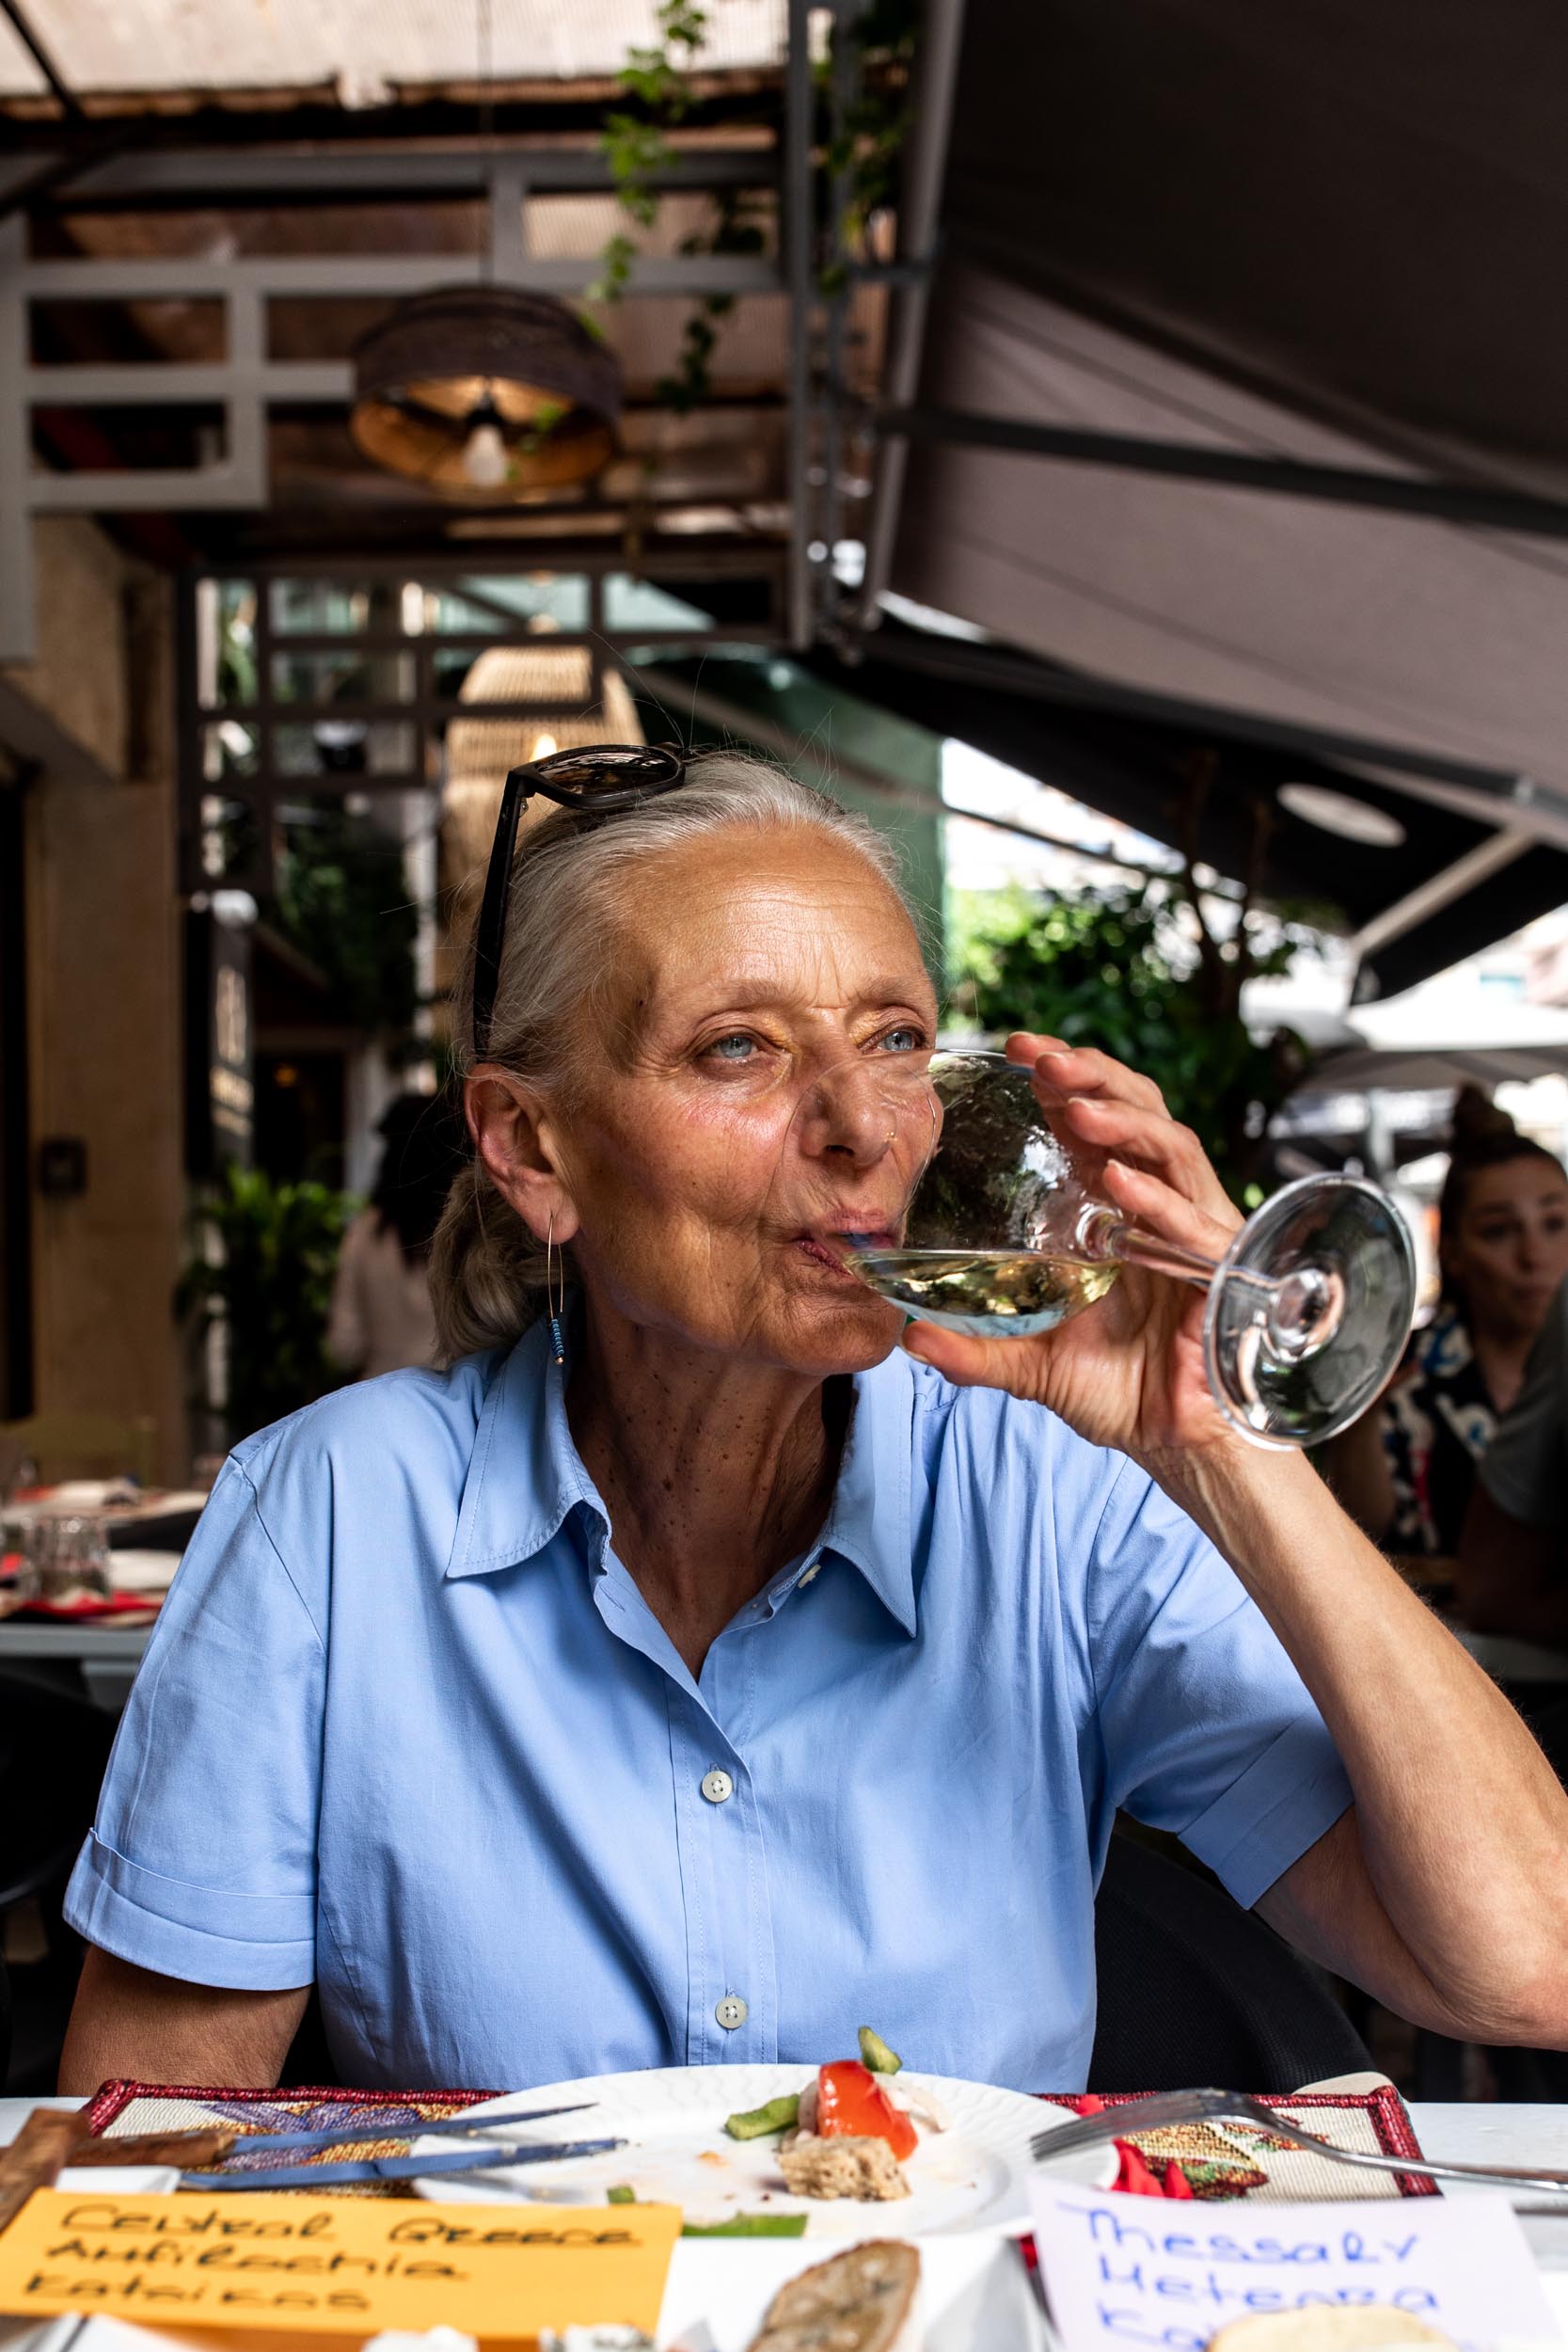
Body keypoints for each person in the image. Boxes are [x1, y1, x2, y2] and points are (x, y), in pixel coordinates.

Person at [59, 752, 1568, 2093]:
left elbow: (1523, 1968)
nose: (861, 1126)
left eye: (895, 1038)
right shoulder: (330, 1516)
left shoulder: (1051, 1497)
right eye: (739, 1048)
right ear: (530, 1146)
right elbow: (149, 2154)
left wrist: (1221, 1449)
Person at [1326, 1089, 1568, 1562]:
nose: (1533, 1256)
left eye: (1555, 1223)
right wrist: (1358, 1424)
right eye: (1499, 1230)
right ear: (1453, 1252)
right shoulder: (1399, 1376)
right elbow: (1362, 1532)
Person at [326, 1091, 464, 1379]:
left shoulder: (366, 1231)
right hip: (457, 1406)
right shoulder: (470, 1230)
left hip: (380, 1405)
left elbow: (343, 1346)